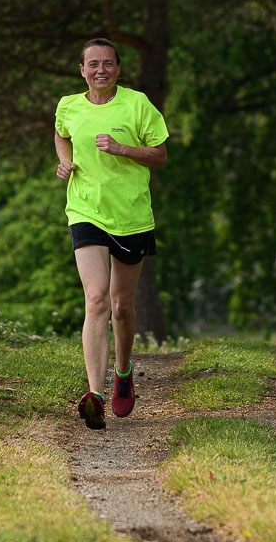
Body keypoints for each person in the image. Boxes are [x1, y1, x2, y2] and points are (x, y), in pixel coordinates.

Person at [54, 39, 168, 430]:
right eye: (92, 64)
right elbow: (61, 133)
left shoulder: (137, 105)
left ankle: (122, 372)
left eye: (108, 64)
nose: (100, 70)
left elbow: (160, 154)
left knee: (121, 306)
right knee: (97, 299)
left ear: (118, 69)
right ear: (81, 70)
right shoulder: (68, 106)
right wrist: (65, 162)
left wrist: (122, 148)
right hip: (85, 211)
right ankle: (95, 395)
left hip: (131, 215)